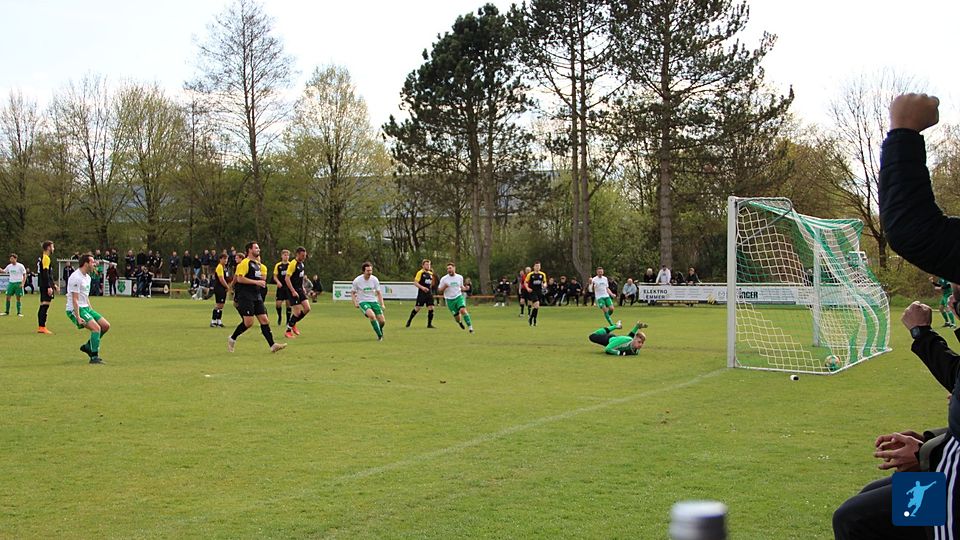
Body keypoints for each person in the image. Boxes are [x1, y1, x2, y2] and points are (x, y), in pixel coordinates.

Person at [832, 301, 951, 540]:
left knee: (854, 519)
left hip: (952, 483)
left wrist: (927, 454)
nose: (949, 302)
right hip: (946, 465)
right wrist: (929, 440)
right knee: (865, 502)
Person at [227, 242, 285, 353]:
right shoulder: (245, 263)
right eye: (256, 248)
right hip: (246, 295)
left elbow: (259, 278)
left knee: (264, 320)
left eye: (258, 248)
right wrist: (256, 282)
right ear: (250, 250)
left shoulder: (257, 265)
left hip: (256, 295)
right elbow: (240, 279)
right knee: (248, 323)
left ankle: (272, 345)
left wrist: (261, 282)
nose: (258, 249)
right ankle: (232, 338)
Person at [66, 253, 110, 364]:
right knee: (96, 328)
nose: (94, 264)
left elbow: (85, 296)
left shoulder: (88, 278)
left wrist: (91, 310)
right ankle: (94, 357)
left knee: (105, 326)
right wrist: (78, 317)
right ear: (86, 263)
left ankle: (88, 346)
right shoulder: (76, 277)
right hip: (75, 309)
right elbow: (75, 299)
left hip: (85, 307)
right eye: (92, 262)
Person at [352, 261, 386, 341]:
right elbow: (353, 293)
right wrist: (355, 303)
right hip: (363, 301)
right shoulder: (357, 280)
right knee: (372, 316)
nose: (370, 272)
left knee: (382, 321)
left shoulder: (374, 279)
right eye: (368, 271)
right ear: (363, 271)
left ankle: (379, 329)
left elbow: (379, 293)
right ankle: (380, 336)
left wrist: (382, 304)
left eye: (371, 270)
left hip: (373, 301)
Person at [438, 262, 474, 333]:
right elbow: (439, 290)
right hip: (449, 300)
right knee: (457, 317)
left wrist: (466, 288)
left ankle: (470, 328)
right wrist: (444, 287)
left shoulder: (460, 277)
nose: (449, 270)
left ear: (454, 268)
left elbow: (461, 287)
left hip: (458, 297)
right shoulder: (444, 279)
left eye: (450, 268)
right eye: (447, 269)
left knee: (463, 310)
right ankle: (460, 322)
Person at [284, 247, 311, 338]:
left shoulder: (302, 264)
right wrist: (293, 291)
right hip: (292, 290)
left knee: (307, 308)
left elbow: (300, 277)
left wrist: (302, 287)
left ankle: (293, 322)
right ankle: (288, 331)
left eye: (305, 255)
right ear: (297, 254)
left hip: (299, 289)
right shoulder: (293, 264)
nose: (304, 257)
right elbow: (287, 279)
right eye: (302, 255)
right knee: (297, 312)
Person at [406, 259, 436, 328]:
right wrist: (423, 288)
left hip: (429, 293)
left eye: (429, 264)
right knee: (417, 308)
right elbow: (415, 283)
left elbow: (431, 283)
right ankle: (409, 321)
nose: (428, 266)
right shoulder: (420, 273)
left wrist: (431, 288)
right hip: (422, 294)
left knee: (431, 307)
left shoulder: (431, 274)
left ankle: (429, 324)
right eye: (426, 264)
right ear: (423, 265)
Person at [37, 240, 56, 334]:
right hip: (45, 285)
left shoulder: (43, 258)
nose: (53, 249)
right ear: (48, 247)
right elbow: (45, 273)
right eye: (52, 247)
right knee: (45, 305)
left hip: (43, 284)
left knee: (43, 305)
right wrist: (49, 286)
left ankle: (41, 326)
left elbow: (47, 274)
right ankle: (42, 327)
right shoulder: (46, 258)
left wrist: (54, 284)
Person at [210, 253, 230, 328]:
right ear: (220, 259)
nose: (225, 260)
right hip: (219, 287)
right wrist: (227, 286)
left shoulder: (225, 268)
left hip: (223, 288)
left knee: (221, 305)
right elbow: (221, 279)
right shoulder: (219, 267)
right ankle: (213, 321)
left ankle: (219, 321)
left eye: (226, 259)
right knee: (218, 305)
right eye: (224, 259)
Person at [272, 249, 292, 328]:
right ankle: (279, 316)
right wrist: (278, 282)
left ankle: (288, 320)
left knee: (288, 304)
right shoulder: (278, 265)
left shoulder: (291, 265)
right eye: (285, 255)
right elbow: (275, 276)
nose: (286, 257)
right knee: (278, 304)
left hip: (288, 287)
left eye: (287, 255)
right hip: (281, 287)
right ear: (282, 256)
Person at [524, 261, 547, 327]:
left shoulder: (542, 274)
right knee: (536, 304)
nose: (537, 267)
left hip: (539, 291)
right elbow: (525, 282)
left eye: (539, 266)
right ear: (534, 267)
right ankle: (533, 320)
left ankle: (532, 319)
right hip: (533, 291)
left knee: (536, 307)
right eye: (536, 266)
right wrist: (527, 288)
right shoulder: (530, 274)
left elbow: (545, 282)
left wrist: (544, 285)